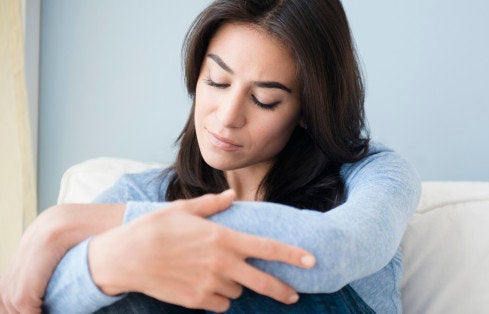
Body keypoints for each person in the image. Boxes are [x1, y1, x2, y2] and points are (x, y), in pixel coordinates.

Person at [0, 0, 421, 313]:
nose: (227, 117)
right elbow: (38, 300)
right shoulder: (142, 193)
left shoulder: (376, 174)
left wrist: (63, 224)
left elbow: (330, 250)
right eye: (217, 82)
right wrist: (112, 259)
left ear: (308, 112)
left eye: (264, 99)